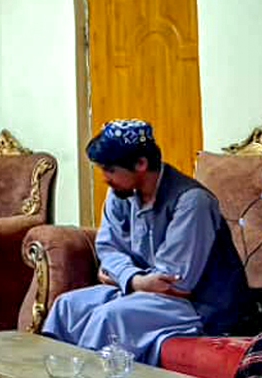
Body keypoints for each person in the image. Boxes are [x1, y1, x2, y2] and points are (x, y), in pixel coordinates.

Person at [41, 119, 247, 365]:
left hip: (198, 305)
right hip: (140, 290)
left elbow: (174, 284)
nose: (105, 178)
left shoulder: (193, 201)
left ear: (141, 164)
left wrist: (119, 276)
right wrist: (134, 280)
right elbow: (108, 249)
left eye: (110, 169)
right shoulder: (121, 192)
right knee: (66, 306)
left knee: (110, 317)